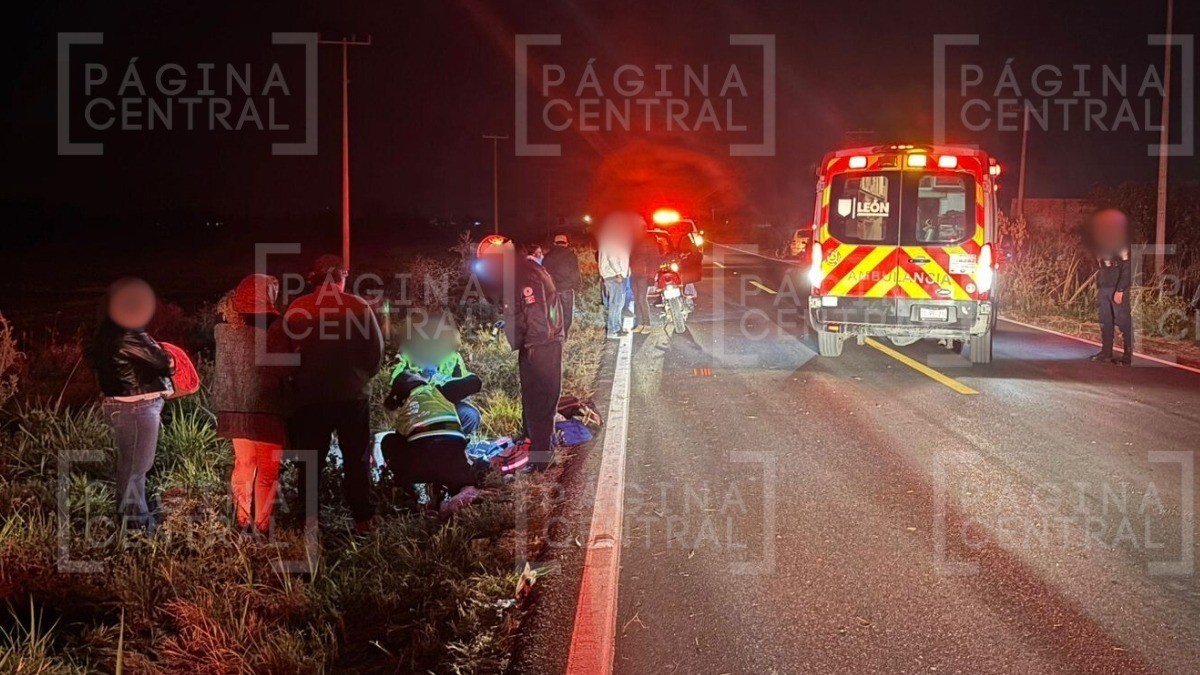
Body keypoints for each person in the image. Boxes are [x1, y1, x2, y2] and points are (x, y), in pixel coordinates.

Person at [283, 255, 384, 534]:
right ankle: (363, 518)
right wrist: (361, 377)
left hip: (309, 399)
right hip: (352, 395)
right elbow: (375, 353)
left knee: (311, 460)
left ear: (314, 278)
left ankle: (308, 521)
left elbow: (286, 353)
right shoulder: (359, 306)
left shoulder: (296, 308)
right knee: (356, 456)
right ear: (342, 277)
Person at [91, 277, 175, 533]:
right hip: (137, 406)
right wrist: (167, 357)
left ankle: (131, 520)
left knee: (129, 467)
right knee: (137, 469)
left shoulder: (104, 332)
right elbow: (163, 362)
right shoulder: (129, 331)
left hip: (122, 404)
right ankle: (138, 527)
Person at [475, 234, 565, 470]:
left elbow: (536, 313)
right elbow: (513, 306)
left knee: (540, 402)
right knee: (533, 399)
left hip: (541, 345)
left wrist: (534, 345)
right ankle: (533, 445)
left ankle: (541, 461)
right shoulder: (518, 271)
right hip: (534, 344)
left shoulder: (525, 273)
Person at [214, 274, 290, 535]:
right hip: (267, 408)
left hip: (234, 407)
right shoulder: (277, 327)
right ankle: (263, 526)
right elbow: (284, 368)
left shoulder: (222, 327)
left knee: (243, 464)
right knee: (268, 471)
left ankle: (242, 522)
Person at [381, 371, 486, 514]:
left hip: (422, 468)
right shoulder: (439, 391)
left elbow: (403, 446)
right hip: (454, 461)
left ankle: (409, 493)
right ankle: (462, 490)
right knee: (459, 473)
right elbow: (475, 382)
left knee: (388, 441)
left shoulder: (405, 412)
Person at [390, 312, 483, 437]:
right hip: (418, 405)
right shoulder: (408, 355)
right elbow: (397, 383)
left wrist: (463, 384)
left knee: (470, 415)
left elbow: (464, 379)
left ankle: (458, 443)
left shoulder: (452, 357)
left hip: (447, 404)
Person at [1086, 209, 1134, 366]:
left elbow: (1127, 267)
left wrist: (1121, 289)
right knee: (1106, 320)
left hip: (1117, 286)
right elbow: (1100, 262)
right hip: (1105, 285)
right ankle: (1106, 352)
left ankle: (1128, 355)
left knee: (1123, 320)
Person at [541, 234, 582, 338]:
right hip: (566, 289)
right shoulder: (571, 255)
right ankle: (564, 335)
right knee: (567, 314)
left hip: (551, 291)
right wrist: (577, 287)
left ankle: (554, 334)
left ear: (554, 243)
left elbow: (543, 274)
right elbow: (575, 273)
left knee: (553, 314)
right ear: (566, 243)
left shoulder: (547, 256)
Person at [598, 227, 631, 338]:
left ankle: (616, 327)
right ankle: (613, 330)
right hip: (614, 276)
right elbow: (612, 258)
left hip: (614, 275)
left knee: (617, 304)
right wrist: (618, 273)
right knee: (615, 304)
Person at [630, 229, 661, 334]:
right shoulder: (633, 240)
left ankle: (647, 324)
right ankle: (640, 323)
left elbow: (654, 259)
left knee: (642, 299)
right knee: (636, 299)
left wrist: (651, 276)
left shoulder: (649, 240)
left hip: (644, 275)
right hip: (634, 274)